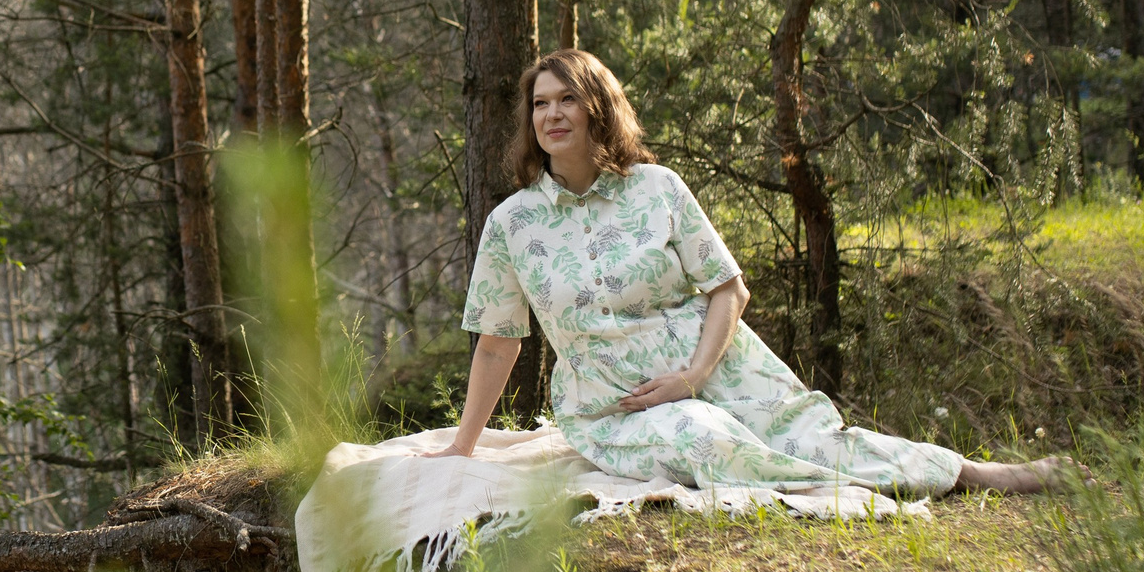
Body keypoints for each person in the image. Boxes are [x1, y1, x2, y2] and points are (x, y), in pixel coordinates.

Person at [439, 48, 1064, 496]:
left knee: (815, 435)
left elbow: (728, 289)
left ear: (598, 108)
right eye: (540, 104)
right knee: (709, 439)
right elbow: (497, 343)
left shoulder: (657, 188)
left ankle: (974, 474)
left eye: (568, 99)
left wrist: (694, 375)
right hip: (617, 407)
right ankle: (859, 490)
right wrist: (462, 448)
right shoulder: (512, 224)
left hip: (717, 364)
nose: (552, 114)